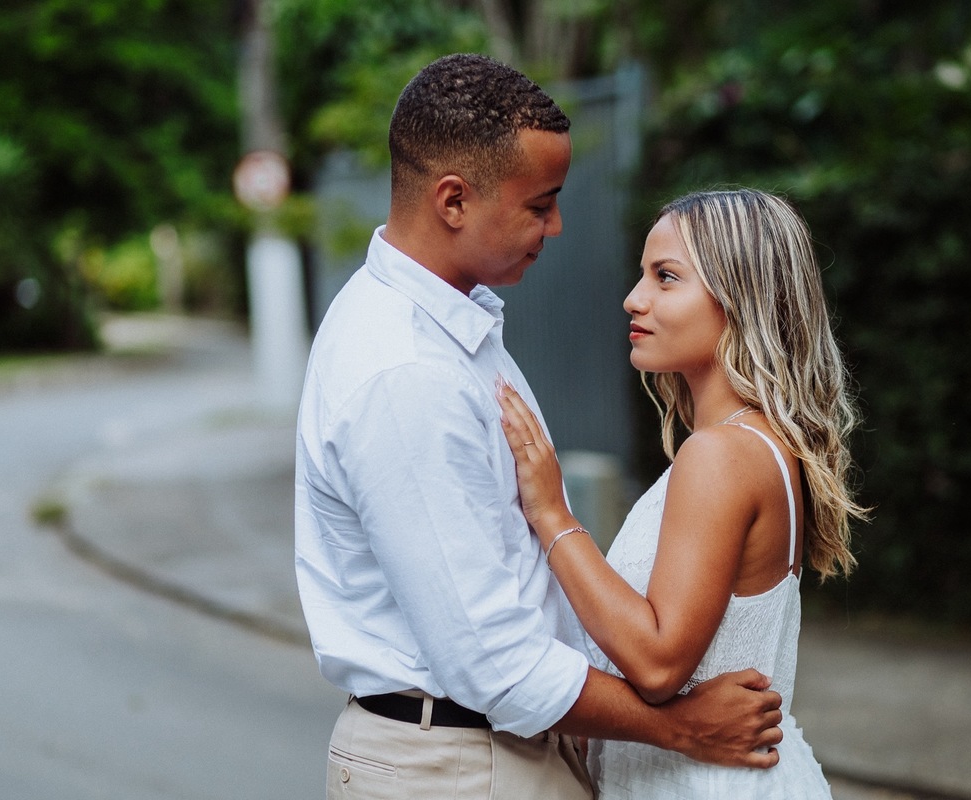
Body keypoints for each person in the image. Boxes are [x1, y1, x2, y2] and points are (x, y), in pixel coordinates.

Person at [294, 55, 784, 800]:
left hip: (490, 750)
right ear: (453, 200)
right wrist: (678, 727)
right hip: (457, 765)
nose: (556, 225)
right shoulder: (406, 373)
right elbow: (488, 658)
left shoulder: (455, 332)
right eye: (540, 203)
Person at [496, 187, 869, 798]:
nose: (633, 298)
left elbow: (659, 661)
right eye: (643, 274)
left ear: (740, 300)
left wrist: (552, 513)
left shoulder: (721, 454)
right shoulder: (755, 445)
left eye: (666, 278)